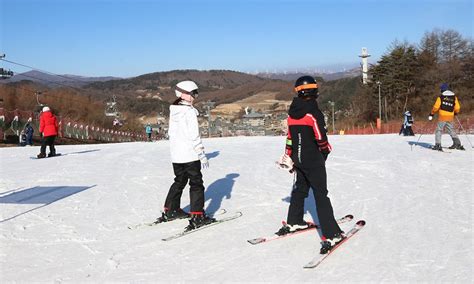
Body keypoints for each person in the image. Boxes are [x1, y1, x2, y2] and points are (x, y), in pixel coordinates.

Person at [277, 75, 344, 255]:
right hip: (313, 160)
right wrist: (325, 151)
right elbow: (320, 137)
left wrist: (289, 155)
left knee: (300, 189)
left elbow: (290, 138)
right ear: (314, 91)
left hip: (299, 160)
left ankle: (294, 221)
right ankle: (332, 234)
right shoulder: (313, 113)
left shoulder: (292, 114)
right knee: (321, 195)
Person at [162, 80, 213, 230]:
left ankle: (171, 209)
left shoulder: (175, 111)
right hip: (190, 155)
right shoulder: (189, 112)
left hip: (177, 156)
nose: (195, 96)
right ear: (183, 94)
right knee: (196, 184)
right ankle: (197, 215)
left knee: (179, 181)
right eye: (193, 93)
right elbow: (194, 136)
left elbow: (172, 134)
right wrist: (201, 153)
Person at [429, 83, 465, 151]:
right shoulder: (454, 97)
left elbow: (436, 107)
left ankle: (438, 144)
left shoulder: (441, 97)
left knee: (439, 130)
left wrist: (432, 113)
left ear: (442, 90)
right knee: (451, 130)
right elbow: (457, 107)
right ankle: (457, 143)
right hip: (450, 116)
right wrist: (456, 112)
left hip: (442, 116)